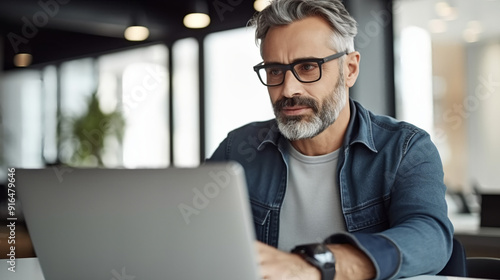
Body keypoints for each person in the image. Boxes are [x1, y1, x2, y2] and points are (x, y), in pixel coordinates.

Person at [208, 0, 454, 279]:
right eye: (275, 70)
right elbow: (190, 233)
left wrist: (317, 265)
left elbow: (431, 238)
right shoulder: (237, 150)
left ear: (350, 69)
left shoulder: (404, 149)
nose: (288, 89)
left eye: (308, 67)